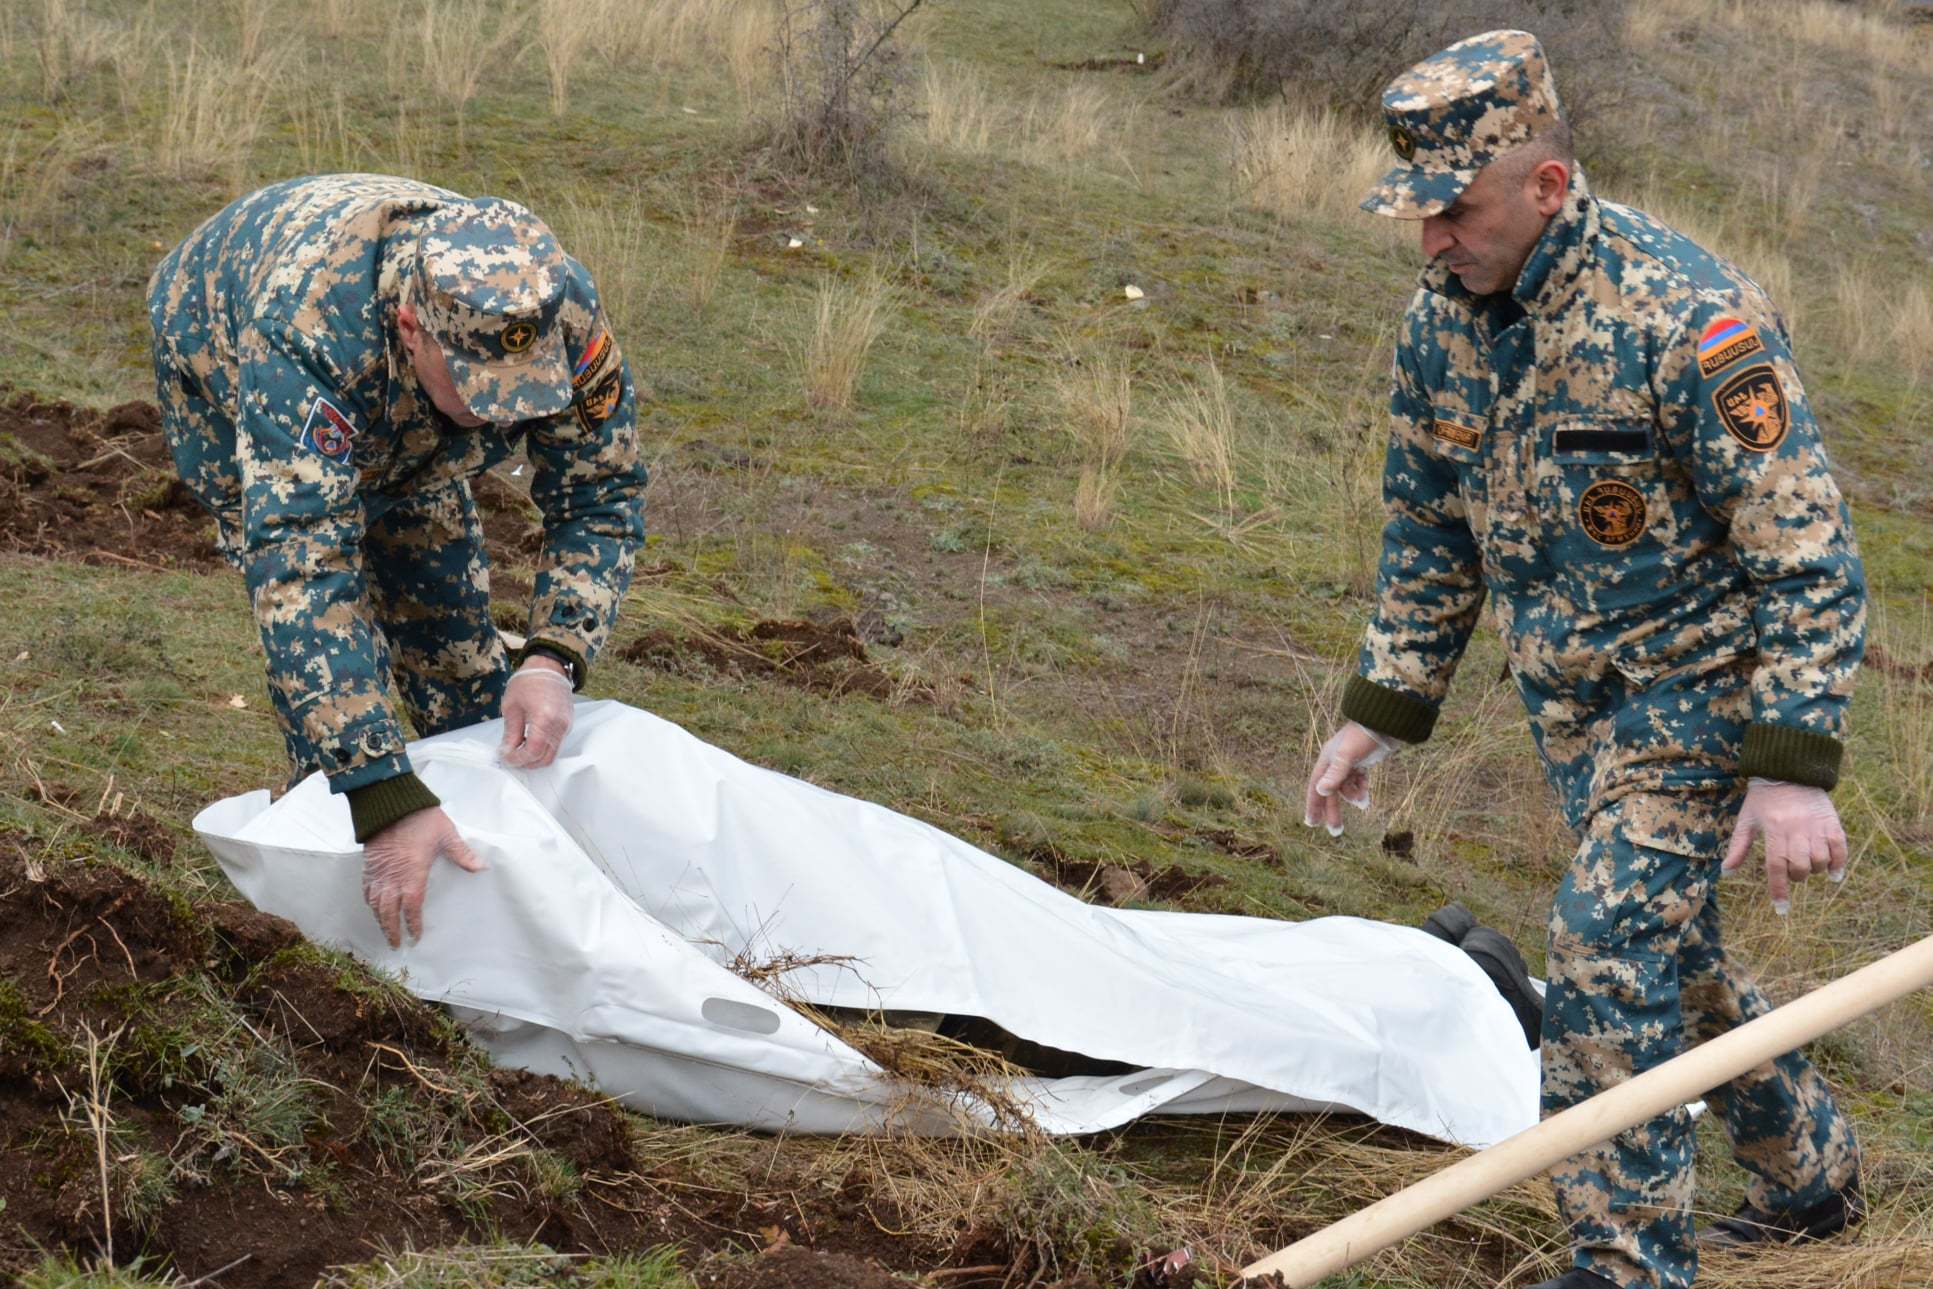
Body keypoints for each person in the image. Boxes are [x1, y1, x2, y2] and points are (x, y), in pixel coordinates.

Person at [1302, 31, 1865, 1289]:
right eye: (1419, 214)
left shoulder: (1685, 317)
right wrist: (1380, 709)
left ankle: (1626, 1266)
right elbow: (1427, 525)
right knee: (1674, 956)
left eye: (1454, 209)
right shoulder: (1441, 321)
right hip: (1574, 705)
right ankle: (1814, 1173)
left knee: (1606, 951)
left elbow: (1809, 551)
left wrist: (1788, 768)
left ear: (1547, 186)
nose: (1432, 239)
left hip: (1703, 692)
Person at [148, 174, 648, 950]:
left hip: (398, 403)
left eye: (524, 392)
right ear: (413, 327)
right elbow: (303, 568)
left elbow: (601, 494)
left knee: (458, 655)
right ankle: (330, 903)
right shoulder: (305, 334)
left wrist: (554, 655)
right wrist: (381, 792)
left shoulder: (556, 309)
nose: (503, 413)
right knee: (336, 714)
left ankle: (495, 888)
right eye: (481, 388)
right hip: (218, 339)